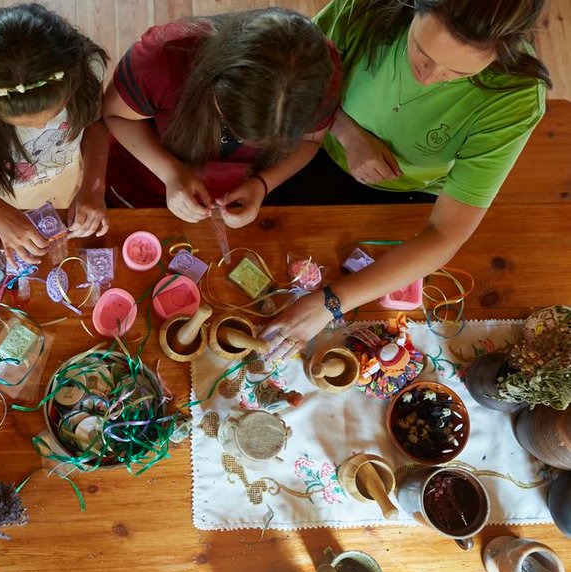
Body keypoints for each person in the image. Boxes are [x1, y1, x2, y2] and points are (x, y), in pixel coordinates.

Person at [259, 0, 550, 359]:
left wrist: (330, 303)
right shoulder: (365, 9)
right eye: (421, 51)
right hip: (314, 143)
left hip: (406, 196)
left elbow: (444, 234)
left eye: (456, 74)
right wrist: (348, 133)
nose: (427, 77)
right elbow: (299, 84)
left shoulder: (515, 97)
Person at [102, 7, 342, 228]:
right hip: (141, 186)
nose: (246, 144)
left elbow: (310, 140)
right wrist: (170, 172)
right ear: (214, 80)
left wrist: (263, 183)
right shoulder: (163, 59)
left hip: (235, 201)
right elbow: (114, 115)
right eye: (232, 124)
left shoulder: (318, 76)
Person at [0, 3, 110, 264]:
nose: (40, 128)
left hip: (65, 185)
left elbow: (95, 125)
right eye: (22, 124)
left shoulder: (87, 71)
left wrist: (93, 188)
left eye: (52, 116)